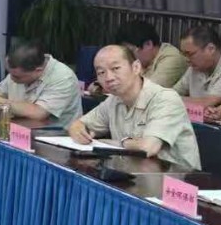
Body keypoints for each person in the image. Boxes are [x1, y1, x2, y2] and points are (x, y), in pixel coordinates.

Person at [69, 44, 201, 168]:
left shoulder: (165, 99)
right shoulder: (114, 100)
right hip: (132, 173)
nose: (109, 78)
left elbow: (148, 148)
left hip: (174, 179)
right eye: (101, 72)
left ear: (136, 67)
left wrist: (118, 143)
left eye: (115, 69)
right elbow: (80, 124)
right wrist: (77, 130)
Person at [0, 39, 82, 125]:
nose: (12, 79)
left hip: (55, 138)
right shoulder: (18, 70)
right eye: (9, 73)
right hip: (18, 132)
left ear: (38, 70)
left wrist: (1, 102)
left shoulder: (63, 77)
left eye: (17, 77)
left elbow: (39, 113)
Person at [174, 26, 221, 109]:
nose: (187, 59)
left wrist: (170, 99)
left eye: (190, 54)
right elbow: (174, 92)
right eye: (184, 54)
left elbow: (208, 103)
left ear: (211, 49)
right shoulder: (196, 65)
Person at [111, 21, 189, 90]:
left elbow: (149, 90)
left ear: (148, 44)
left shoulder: (172, 58)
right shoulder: (144, 60)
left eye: (131, 52)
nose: (129, 57)